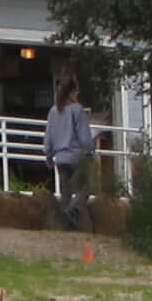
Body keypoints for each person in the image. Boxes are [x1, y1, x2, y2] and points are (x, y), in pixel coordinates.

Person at [44, 69, 97, 233]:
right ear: (72, 92)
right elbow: (84, 136)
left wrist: (48, 155)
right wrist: (90, 151)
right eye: (77, 90)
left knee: (65, 192)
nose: (78, 94)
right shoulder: (77, 110)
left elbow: (49, 135)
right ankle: (72, 212)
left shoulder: (54, 111)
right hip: (76, 155)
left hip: (60, 158)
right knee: (85, 188)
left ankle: (66, 225)